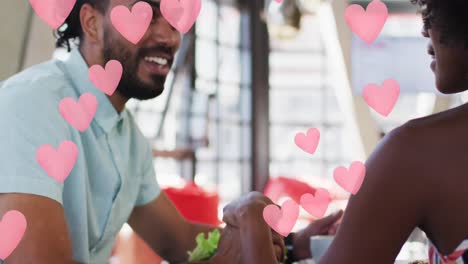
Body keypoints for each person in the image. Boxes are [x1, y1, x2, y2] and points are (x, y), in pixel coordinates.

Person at [0, 0, 340, 263]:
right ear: (92, 23)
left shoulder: (128, 137)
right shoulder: (31, 104)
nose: (169, 36)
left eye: (175, 16)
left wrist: (295, 243)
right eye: (146, 12)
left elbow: (179, 240)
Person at [224, 0, 468, 263]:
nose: (424, 29)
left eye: (433, 11)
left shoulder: (416, 153)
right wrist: (294, 244)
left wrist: (251, 219)